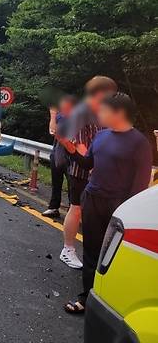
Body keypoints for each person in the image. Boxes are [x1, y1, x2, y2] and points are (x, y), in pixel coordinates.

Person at [57, 92, 152, 314]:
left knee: (114, 255)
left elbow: (138, 187)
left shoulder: (140, 143)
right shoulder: (101, 136)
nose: (99, 114)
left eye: (104, 110)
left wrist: (128, 213)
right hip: (92, 199)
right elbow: (87, 162)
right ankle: (86, 297)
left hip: (118, 205)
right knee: (90, 250)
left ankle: (112, 300)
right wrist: (70, 148)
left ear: (119, 113)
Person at [59, 76, 118, 269]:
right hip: (81, 169)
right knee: (76, 208)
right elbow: (79, 144)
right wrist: (93, 166)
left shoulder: (102, 112)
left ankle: (95, 252)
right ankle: (68, 249)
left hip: (101, 169)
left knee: (96, 212)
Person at [42, 95, 77, 218]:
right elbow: (52, 131)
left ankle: (72, 210)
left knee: (72, 183)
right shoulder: (60, 116)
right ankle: (53, 207)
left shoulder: (73, 118)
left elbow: (54, 130)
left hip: (70, 153)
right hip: (57, 151)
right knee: (56, 181)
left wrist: (52, 115)